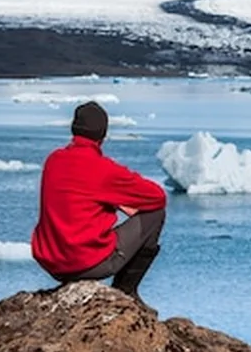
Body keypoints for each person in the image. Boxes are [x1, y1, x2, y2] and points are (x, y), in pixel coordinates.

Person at [31, 101, 167, 307]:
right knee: (155, 214)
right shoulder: (102, 169)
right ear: (102, 134)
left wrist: (113, 201)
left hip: (53, 263)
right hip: (87, 263)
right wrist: (119, 200)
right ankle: (126, 289)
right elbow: (157, 196)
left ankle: (76, 283)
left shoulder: (54, 160)